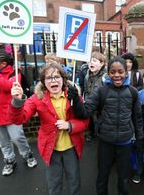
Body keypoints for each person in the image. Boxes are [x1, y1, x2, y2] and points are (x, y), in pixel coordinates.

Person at [8, 63, 89, 195]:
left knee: (74, 180)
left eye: (57, 76)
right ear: (43, 82)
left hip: (71, 148)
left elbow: (85, 121)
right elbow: (18, 119)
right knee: (54, 183)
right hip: (51, 149)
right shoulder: (37, 99)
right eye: (49, 78)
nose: (53, 81)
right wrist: (17, 101)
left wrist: (70, 125)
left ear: (63, 79)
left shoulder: (73, 96)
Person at [69, 56, 144, 195]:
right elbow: (84, 113)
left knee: (123, 178)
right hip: (105, 142)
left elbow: (137, 117)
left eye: (120, 72)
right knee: (102, 177)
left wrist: (139, 139)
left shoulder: (133, 92)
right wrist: (75, 98)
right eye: (113, 72)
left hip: (125, 142)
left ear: (126, 72)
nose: (117, 75)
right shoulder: (101, 91)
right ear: (108, 73)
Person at [83, 51, 106, 142]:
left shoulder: (105, 76)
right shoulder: (87, 76)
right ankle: (91, 133)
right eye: (89, 61)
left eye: (94, 61)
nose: (91, 63)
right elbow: (86, 89)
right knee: (91, 122)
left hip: (101, 106)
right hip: (90, 104)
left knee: (100, 122)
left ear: (101, 64)